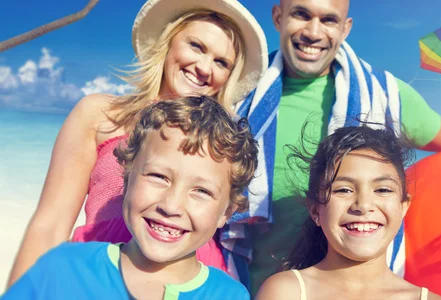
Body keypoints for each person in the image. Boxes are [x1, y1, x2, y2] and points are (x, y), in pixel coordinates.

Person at [219, 0, 441, 295]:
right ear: (278, 17)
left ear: (345, 28)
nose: (313, 32)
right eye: (301, 15)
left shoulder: (385, 95)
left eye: (329, 20)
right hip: (251, 286)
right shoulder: (236, 94)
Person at [6, 0, 268, 287]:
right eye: (196, 46)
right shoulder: (100, 115)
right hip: (98, 278)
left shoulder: (223, 146)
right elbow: (51, 224)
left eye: (222, 62)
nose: (205, 67)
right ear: (168, 43)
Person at [2, 96, 259, 299]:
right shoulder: (64, 268)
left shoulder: (230, 295)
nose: (171, 206)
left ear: (227, 212)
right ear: (126, 176)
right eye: (158, 176)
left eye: (201, 191)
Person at [255, 124, 441, 300]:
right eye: (343, 190)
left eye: (382, 190)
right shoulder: (286, 292)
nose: (363, 205)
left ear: (403, 206)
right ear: (315, 210)